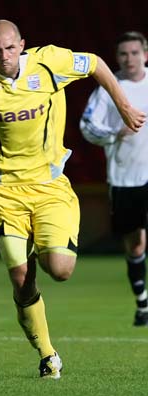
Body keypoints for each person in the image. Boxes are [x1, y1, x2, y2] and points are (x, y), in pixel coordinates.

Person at [0, 19, 146, 379]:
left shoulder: (49, 62)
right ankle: (47, 355)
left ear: (22, 45)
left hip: (49, 188)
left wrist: (122, 105)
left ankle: (32, 259)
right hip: (3, 192)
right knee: (20, 277)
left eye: (11, 48)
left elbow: (94, 63)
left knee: (59, 271)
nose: (4, 56)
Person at [80, 31, 148, 327]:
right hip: (125, 179)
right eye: (123, 54)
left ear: (145, 54)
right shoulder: (110, 88)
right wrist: (114, 133)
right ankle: (142, 302)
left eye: (134, 53)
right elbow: (87, 126)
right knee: (135, 245)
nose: (129, 59)